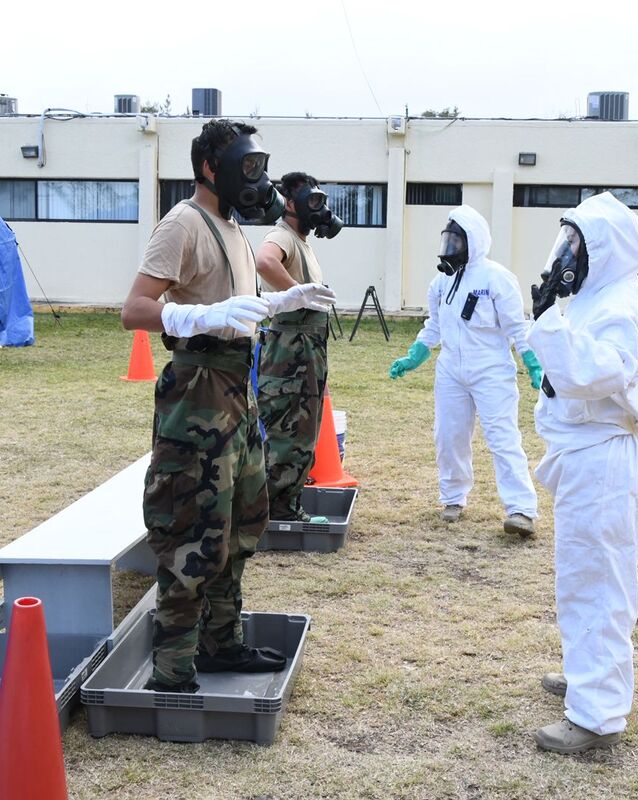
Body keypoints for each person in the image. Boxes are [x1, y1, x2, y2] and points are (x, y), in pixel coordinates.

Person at [120, 119, 335, 693]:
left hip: (239, 390)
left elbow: (236, 301)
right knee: (192, 526)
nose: (257, 177)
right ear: (211, 167)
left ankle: (222, 643)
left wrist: (281, 300)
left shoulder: (235, 231)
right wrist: (188, 316)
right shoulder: (183, 224)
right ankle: (173, 668)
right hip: (198, 392)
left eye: (260, 166)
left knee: (242, 520)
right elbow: (135, 308)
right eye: (248, 165)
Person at [526, 192, 638, 754]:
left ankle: (597, 716)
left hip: (605, 457)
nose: (566, 255)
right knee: (583, 577)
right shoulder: (602, 294)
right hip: (590, 454)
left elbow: (598, 371)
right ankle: (588, 676)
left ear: (603, 248)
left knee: (597, 584)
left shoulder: (619, 307)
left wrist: (545, 325)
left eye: (577, 243)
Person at [388, 205, 541, 537]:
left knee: (503, 438)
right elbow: (434, 326)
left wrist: (533, 362)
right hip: (451, 371)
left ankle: (521, 510)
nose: (450, 247)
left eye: (457, 241)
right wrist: (414, 355)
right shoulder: (440, 283)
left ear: (473, 242)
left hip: (491, 371)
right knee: (449, 436)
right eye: (448, 240)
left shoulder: (497, 278)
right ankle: (453, 498)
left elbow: (518, 328)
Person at [255, 172, 342, 522]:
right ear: (290, 203)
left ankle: (284, 503)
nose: (317, 207)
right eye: (310, 200)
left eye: (321, 200)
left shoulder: (301, 241)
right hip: (292, 345)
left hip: (307, 346)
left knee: (303, 430)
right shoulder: (281, 235)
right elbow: (263, 261)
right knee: (287, 432)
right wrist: (297, 293)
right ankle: (273, 508)